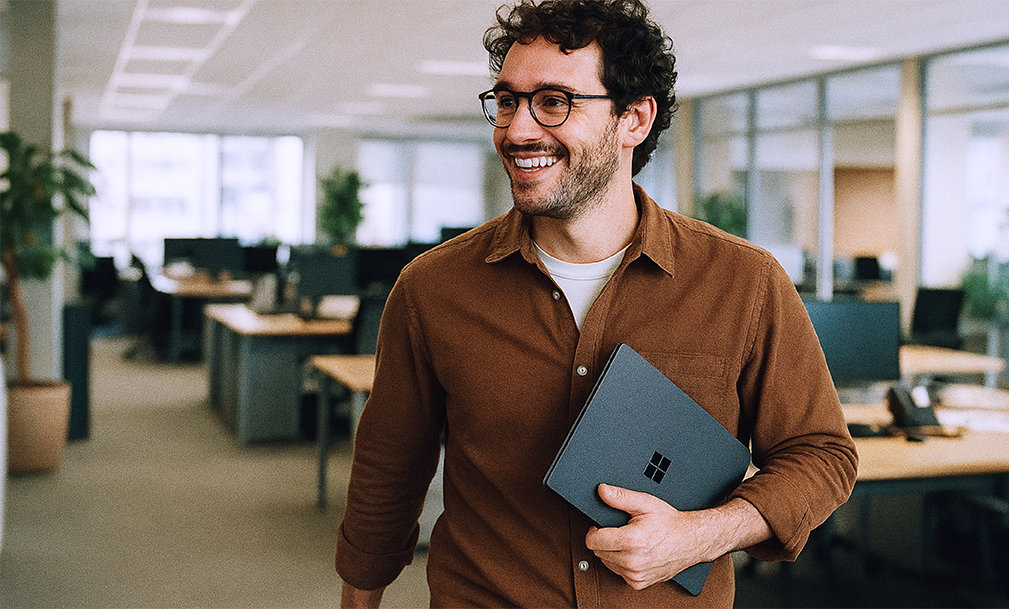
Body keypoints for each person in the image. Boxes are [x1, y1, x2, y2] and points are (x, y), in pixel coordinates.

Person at [336, 0, 858, 606]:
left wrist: (706, 534)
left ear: (633, 119)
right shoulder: (433, 288)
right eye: (506, 101)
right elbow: (388, 469)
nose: (518, 130)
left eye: (554, 102)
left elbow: (821, 455)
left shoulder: (743, 282)